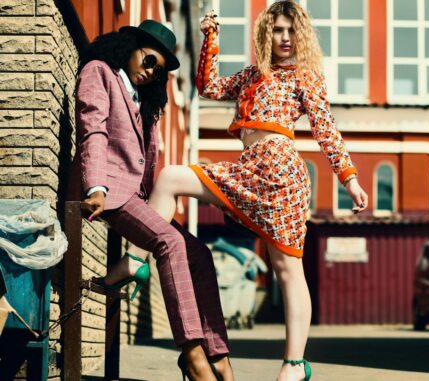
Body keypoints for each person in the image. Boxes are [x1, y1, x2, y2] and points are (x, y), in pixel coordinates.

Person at [101, 1, 369, 380]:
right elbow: (209, 86)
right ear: (266, 33)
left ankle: (294, 365)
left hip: (282, 175)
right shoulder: (252, 74)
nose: (285, 38)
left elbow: (326, 129)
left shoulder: (305, 76)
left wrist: (350, 179)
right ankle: (137, 259)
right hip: (248, 169)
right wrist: (211, 36)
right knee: (171, 177)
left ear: (302, 34)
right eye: (278, 30)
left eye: (292, 30)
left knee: (287, 268)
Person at [68, 20, 232, 381]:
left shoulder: (144, 100)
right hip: (108, 191)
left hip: (137, 198)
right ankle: (192, 355)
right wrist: (95, 185)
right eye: (149, 60)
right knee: (170, 241)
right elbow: (92, 127)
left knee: (200, 255)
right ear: (131, 46)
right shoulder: (101, 73)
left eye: (158, 69)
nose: (151, 71)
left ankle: (218, 354)